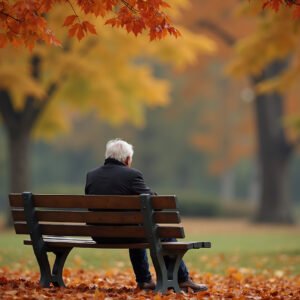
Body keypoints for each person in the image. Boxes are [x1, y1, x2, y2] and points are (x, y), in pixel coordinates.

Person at [85, 138, 207, 292]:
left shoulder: (91, 175)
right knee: (158, 232)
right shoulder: (132, 175)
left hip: (98, 234)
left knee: (138, 228)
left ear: (107, 156)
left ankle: (145, 281)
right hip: (127, 233)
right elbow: (154, 204)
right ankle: (182, 279)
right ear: (127, 159)